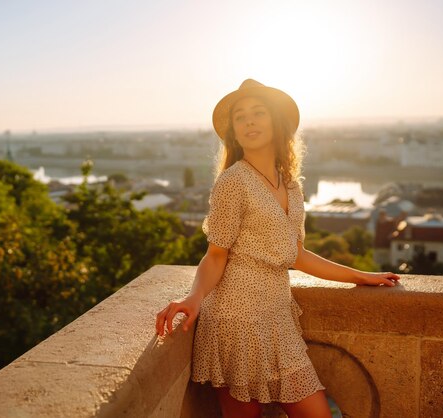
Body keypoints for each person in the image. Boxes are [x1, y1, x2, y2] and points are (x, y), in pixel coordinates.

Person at [155, 79, 400, 418]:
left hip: (277, 317)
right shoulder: (232, 182)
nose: (249, 121)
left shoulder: (292, 186)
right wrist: (194, 298)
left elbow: (296, 254)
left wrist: (362, 276)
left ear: (276, 123)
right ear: (234, 132)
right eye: (240, 117)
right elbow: (215, 255)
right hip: (234, 318)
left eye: (259, 113)